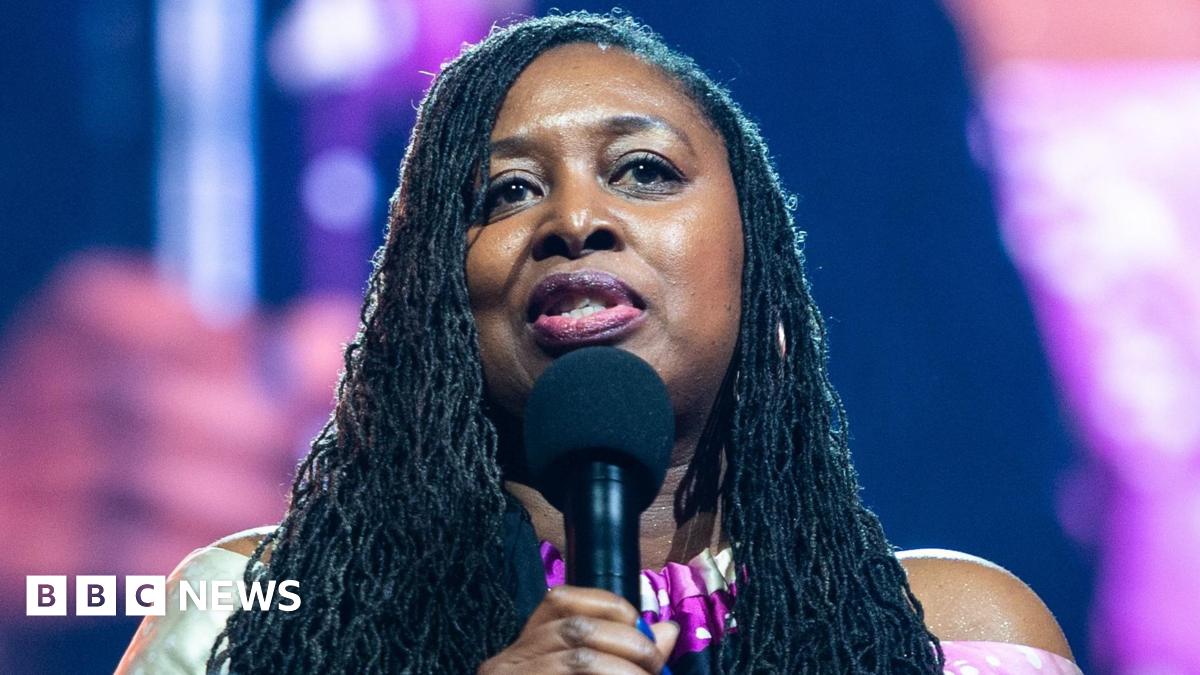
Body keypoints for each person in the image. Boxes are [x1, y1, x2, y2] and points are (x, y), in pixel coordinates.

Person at [118, 12, 1079, 674]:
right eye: (506, 193)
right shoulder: (246, 612)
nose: (576, 217)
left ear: (766, 285)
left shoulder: (956, 634)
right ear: (435, 303)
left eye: (645, 171)